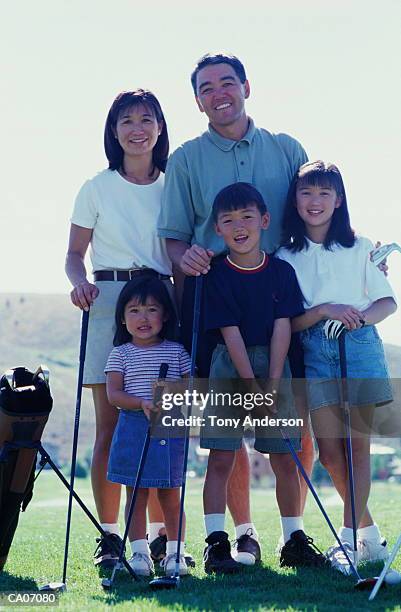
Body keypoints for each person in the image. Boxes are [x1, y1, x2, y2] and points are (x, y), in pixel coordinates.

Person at [158, 52, 314, 562]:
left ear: (246, 86)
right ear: (198, 99)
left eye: (228, 82)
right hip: (218, 313)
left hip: (281, 310)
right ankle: (226, 537)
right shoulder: (184, 159)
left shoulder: (286, 149)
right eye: (207, 87)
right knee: (224, 447)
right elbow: (175, 241)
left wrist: (359, 260)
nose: (219, 93)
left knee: (290, 438)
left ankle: (295, 537)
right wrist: (192, 256)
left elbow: (319, 213)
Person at [65, 89, 189, 569]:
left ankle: (161, 538)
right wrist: (79, 285)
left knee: (165, 424)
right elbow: (75, 255)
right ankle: (111, 537)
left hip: (164, 300)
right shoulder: (95, 187)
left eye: (147, 119)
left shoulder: (174, 183)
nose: (137, 128)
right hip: (109, 299)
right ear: (113, 131)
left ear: (160, 128)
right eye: (126, 120)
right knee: (112, 426)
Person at [200, 182, 327, 573]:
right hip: (230, 368)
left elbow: (283, 329)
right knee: (222, 457)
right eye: (228, 220)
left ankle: (293, 539)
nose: (239, 226)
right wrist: (252, 388)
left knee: (286, 457)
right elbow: (230, 334)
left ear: (264, 220)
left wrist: (271, 385)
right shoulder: (216, 274)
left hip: (276, 365)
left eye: (247, 217)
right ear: (218, 228)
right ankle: (217, 543)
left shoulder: (281, 272)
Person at [276, 160, 397, 573]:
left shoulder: (360, 247)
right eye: (307, 192)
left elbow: (386, 302)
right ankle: (369, 536)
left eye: (325, 193)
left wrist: (357, 317)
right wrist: (325, 309)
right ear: (296, 198)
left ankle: (346, 542)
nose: (316, 202)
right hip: (313, 350)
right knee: (329, 453)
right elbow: (288, 322)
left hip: (358, 347)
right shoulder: (285, 255)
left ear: (339, 200)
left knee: (356, 448)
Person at [105, 277, 191, 576]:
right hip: (132, 426)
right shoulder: (120, 353)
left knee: (169, 491)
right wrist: (140, 402)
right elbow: (113, 394)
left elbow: (192, 386)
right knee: (136, 492)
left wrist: (174, 391)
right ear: (122, 318)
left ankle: (174, 554)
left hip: (168, 426)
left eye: (152, 309)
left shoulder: (176, 351)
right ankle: (139, 553)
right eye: (134, 310)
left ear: (165, 315)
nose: (143, 318)